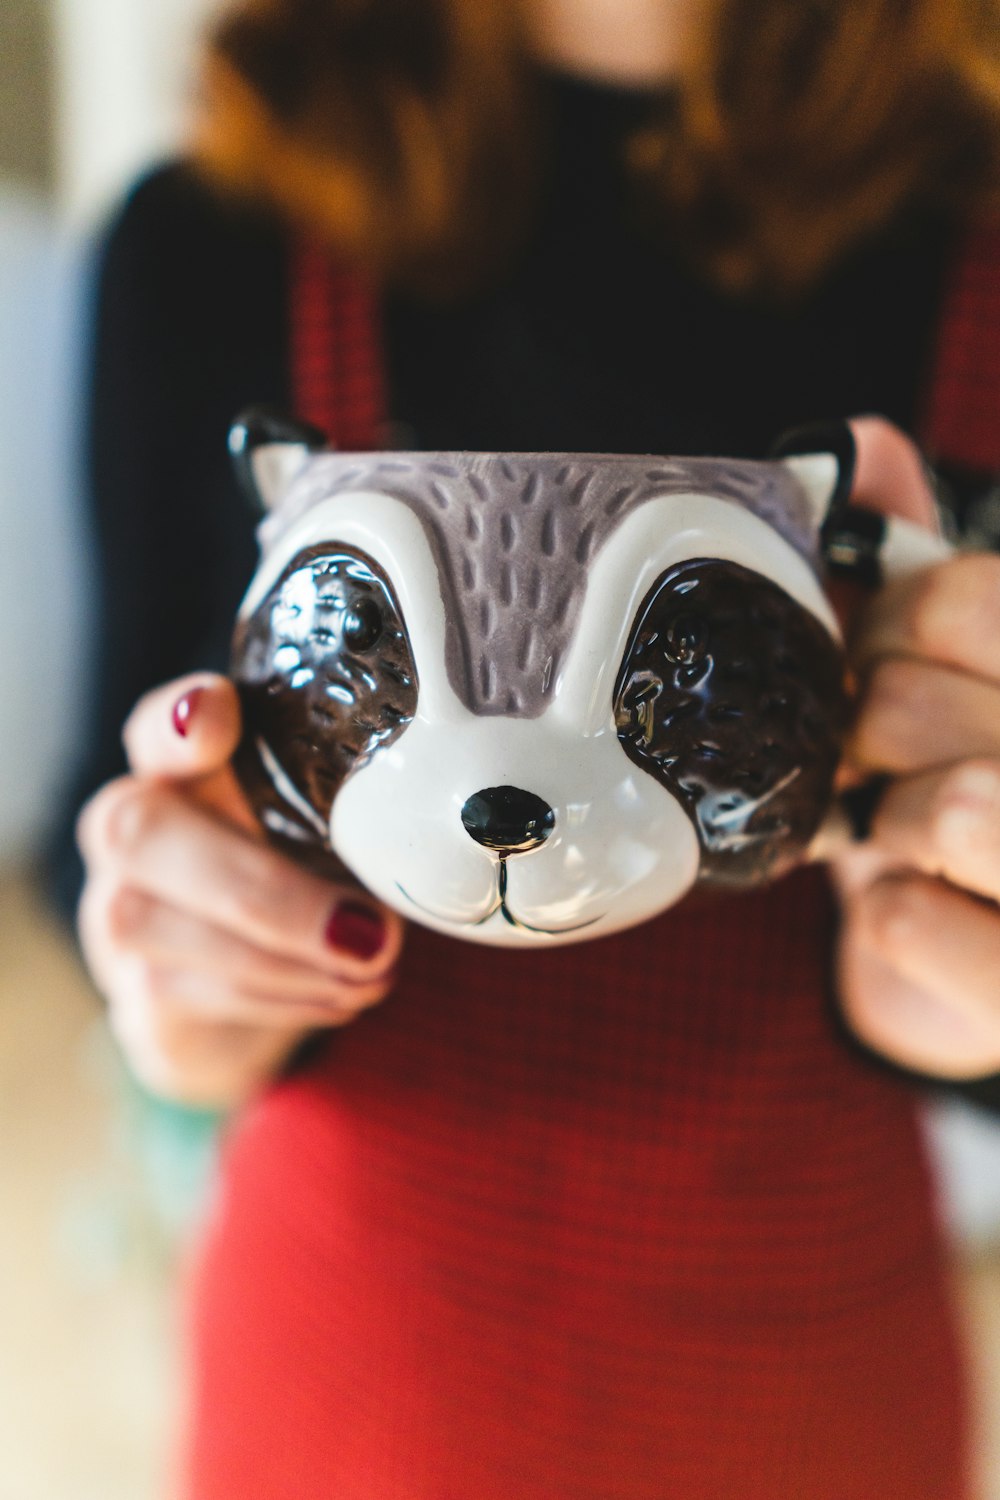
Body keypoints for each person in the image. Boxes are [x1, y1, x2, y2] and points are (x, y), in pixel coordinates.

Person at [58, 0, 1000, 1494]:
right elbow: (92, 817)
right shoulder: (212, 243)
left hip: (816, 1370)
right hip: (350, 1366)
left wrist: (969, 990)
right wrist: (186, 962)